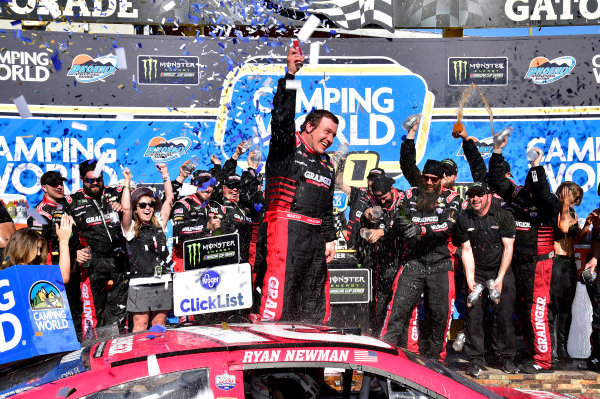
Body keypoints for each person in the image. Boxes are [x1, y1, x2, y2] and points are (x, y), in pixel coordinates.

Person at [257, 46, 337, 324]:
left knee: (314, 301)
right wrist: (290, 76)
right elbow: (280, 118)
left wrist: (330, 238)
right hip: (284, 228)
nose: (330, 139)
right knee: (281, 300)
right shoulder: (287, 146)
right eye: (326, 131)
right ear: (309, 126)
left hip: (315, 237)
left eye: (334, 135)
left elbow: (327, 208)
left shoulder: (327, 164)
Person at [488, 138, 558, 374]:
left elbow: (540, 190)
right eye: (527, 188)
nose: (529, 193)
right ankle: (532, 354)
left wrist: (536, 164)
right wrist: (497, 150)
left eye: (533, 188)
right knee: (522, 312)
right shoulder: (518, 194)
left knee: (537, 312)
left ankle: (544, 360)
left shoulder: (549, 202)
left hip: (539, 265)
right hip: (518, 263)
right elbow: (498, 182)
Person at [380, 159, 460, 361]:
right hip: (414, 261)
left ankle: (436, 361)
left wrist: (419, 230)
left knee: (439, 316)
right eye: (426, 178)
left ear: (441, 179)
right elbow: (399, 215)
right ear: (422, 177)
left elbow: (447, 226)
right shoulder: (410, 194)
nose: (430, 183)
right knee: (397, 310)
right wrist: (405, 224)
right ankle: (384, 357)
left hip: (440, 263)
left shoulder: (452, 197)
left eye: (434, 179)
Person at [456, 181, 518, 377]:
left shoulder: (503, 216)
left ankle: (506, 358)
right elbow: (466, 250)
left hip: (501, 269)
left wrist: (499, 278)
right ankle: (476, 359)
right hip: (478, 270)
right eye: (471, 195)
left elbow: (508, 248)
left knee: (504, 315)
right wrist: (470, 278)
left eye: (479, 195)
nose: (475, 198)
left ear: (488, 196)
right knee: (473, 315)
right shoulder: (464, 218)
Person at [71, 159, 129, 338]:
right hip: (92, 261)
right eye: (91, 180)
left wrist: (123, 208)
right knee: (93, 308)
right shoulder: (72, 201)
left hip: (118, 257)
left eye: (99, 179)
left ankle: (115, 340)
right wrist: (74, 252)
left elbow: (147, 202)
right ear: (82, 180)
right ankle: (90, 346)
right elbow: (58, 230)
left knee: (119, 305)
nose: (96, 183)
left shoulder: (115, 193)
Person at [28, 170, 82, 336]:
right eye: (54, 184)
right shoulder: (37, 212)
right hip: (55, 274)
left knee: (78, 315)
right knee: (62, 318)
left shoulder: (68, 204)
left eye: (61, 183)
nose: (59, 186)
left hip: (76, 269)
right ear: (44, 188)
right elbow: (36, 250)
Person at [121, 164, 174, 332]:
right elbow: (126, 207)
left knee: (159, 326)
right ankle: (140, 358)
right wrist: (127, 182)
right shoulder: (129, 229)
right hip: (140, 283)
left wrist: (165, 174)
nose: (148, 208)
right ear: (136, 209)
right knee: (140, 326)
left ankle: (157, 357)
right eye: (142, 205)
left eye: (150, 204)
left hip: (163, 281)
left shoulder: (160, 224)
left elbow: (170, 199)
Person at [360, 174, 405, 334]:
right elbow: (360, 228)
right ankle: (380, 335)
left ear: (391, 189)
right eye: (378, 198)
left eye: (384, 197)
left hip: (403, 258)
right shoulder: (372, 202)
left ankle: (400, 339)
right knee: (380, 301)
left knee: (400, 301)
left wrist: (382, 231)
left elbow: (404, 227)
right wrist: (366, 225)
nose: (382, 201)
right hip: (381, 260)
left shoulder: (404, 200)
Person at [552, 181, 584, 366]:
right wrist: (563, 204)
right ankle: (551, 349)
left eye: (578, 198)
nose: (576, 201)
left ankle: (563, 349)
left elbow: (576, 237)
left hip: (570, 262)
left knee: (566, 308)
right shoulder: (557, 208)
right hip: (557, 261)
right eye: (574, 197)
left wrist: (586, 225)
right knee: (554, 307)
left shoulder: (572, 211)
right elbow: (563, 227)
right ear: (565, 194)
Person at [171, 170, 222, 272]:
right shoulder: (183, 204)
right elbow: (178, 233)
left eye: (210, 185)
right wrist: (205, 226)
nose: (207, 189)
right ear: (193, 185)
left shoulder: (216, 206)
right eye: (202, 184)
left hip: (210, 260)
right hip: (185, 260)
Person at [2, 215, 74, 284]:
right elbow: (63, 277)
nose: (39, 253)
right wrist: (64, 240)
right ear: (23, 248)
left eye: (40, 249)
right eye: (36, 248)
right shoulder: (25, 271)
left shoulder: (7, 270)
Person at [336, 166, 386, 249]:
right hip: (352, 247)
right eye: (371, 179)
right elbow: (338, 183)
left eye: (377, 179)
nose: (373, 183)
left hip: (376, 250)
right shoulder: (359, 194)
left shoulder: (386, 199)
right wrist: (341, 165)